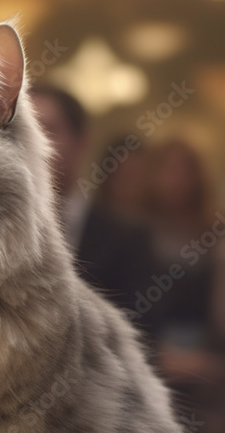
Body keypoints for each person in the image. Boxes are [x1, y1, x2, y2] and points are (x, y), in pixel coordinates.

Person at [30, 84, 159, 332]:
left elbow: (143, 335)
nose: (33, 143)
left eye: (48, 129)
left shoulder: (127, 237)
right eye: (23, 130)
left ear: (82, 142)